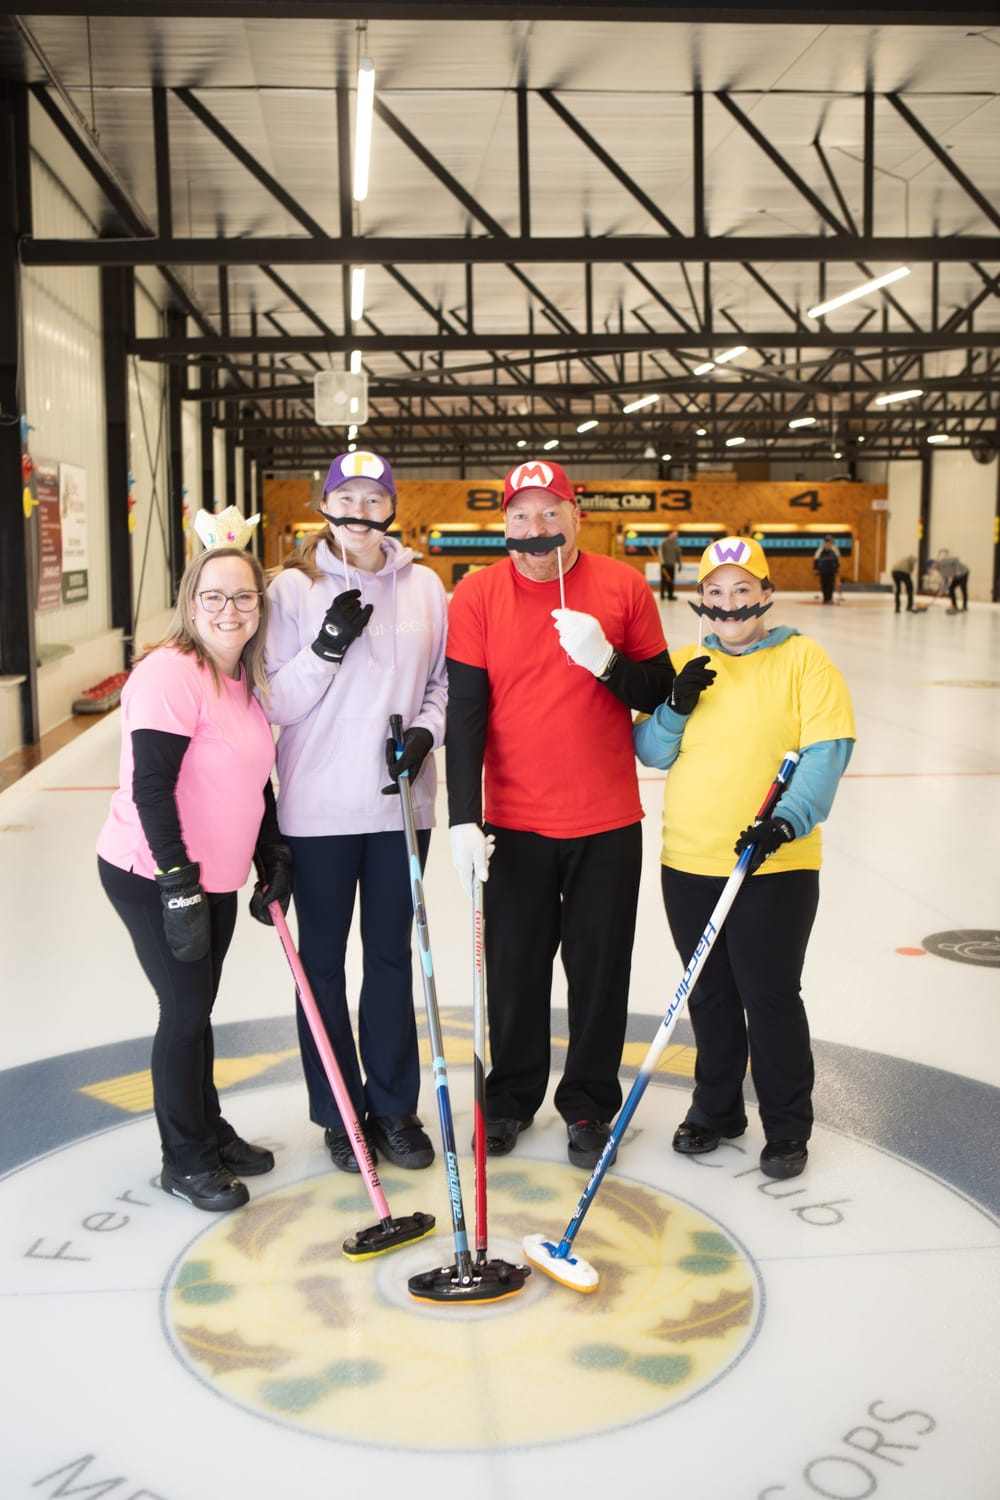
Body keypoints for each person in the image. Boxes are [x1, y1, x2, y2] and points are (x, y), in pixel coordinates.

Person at [445, 458, 673, 1170]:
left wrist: (605, 661)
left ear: (577, 517)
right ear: (504, 526)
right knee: (514, 970)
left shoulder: (623, 587)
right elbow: (467, 716)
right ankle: (510, 1098)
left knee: (599, 970)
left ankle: (587, 1105)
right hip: (514, 822)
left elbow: (661, 690)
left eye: (551, 514)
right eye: (520, 517)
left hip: (607, 820)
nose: (536, 530)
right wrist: (462, 816)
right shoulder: (477, 596)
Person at [634, 535, 855, 1180]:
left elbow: (827, 750)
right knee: (711, 994)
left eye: (741, 590)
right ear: (699, 598)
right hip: (690, 861)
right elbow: (651, 751)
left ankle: (787, 1126)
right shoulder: (685, 662)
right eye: (714, 592)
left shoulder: (804, 661)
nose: (728, 604)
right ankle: (717, 1108)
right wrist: (675, 706)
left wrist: (785, 822)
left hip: (774, 866)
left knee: (771, 995)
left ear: (764, 593)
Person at [97, 520, 290, 1212]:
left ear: (260, 607)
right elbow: (151, 787)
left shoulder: (241, 679)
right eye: (214, 597)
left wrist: (271, 850)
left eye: (243, 598)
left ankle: (209, 1129)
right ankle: (183, 1160)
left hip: (216, 875)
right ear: (189, 602)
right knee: (183, 1013)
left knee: (199, 1008)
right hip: (153, 874)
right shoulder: (169, 675)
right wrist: (176, 883)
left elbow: (251, 777)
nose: (229, 610)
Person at [263, 450, 447, 1174]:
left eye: (376, 500)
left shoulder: (427, 588)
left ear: (392, 508)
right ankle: (342, 1111)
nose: (361, 514)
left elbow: (439, 685)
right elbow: (276, 699)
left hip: (401, 804)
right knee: (323, 966)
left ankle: (395, 1108)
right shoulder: (290, 591)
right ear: (325, 506)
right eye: (348, 499)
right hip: (318, 811)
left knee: (394, 958)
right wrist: (326, 646)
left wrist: (428, 733)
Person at [813, 535, 840, 604]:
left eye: (830, 542)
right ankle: (825, 598)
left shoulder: (834, 550)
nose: (828, 544)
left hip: (831, 571)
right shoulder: (820, 550)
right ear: (825, 543)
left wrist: (837, 569)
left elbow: (837, 561)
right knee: (824, 585)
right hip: (823, 571)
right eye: (827, 542)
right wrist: (815, 569)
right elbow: (816, 559)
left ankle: (829, 598)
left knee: (830, 585)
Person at [658, 529, 681, 601]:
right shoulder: (664, 542)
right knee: (664, 580)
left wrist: (679, 563)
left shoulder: (676, 543)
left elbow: (678, 554)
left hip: (672, 565)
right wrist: (662, 562)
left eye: (677, 535)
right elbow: (660, 552)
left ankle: (670, 595)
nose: (676, 536)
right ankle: (662, 595)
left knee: (671, 580)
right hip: (664, 565)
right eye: (675, 534)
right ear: (670, 534)